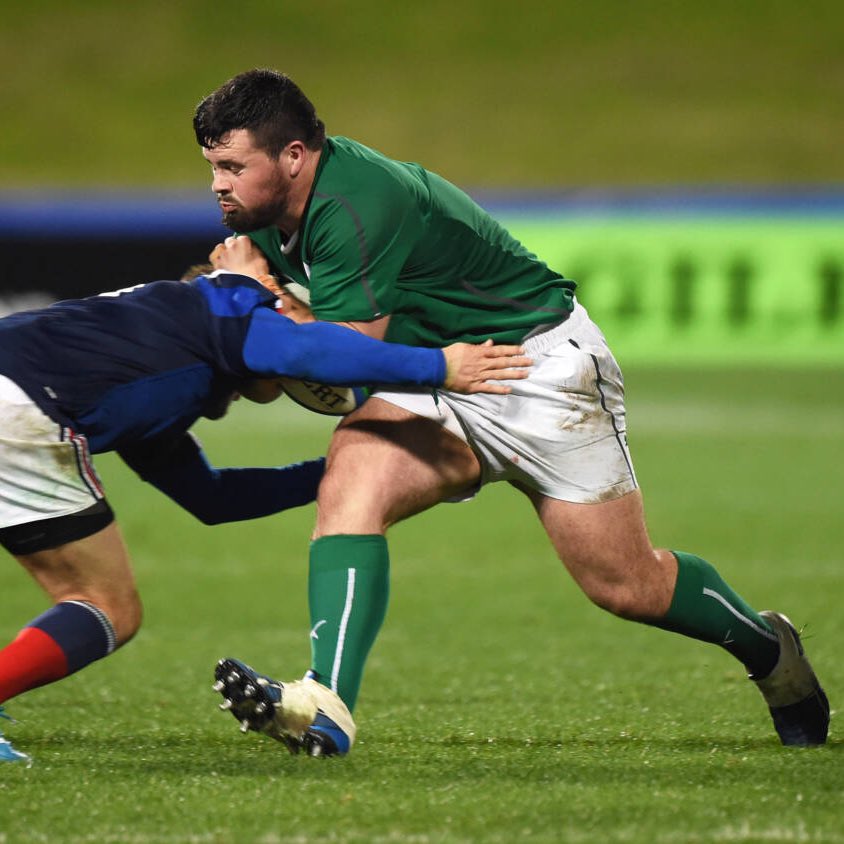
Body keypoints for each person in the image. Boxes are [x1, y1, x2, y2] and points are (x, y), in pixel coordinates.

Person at [194, 69, 829, 758]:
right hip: (438, 369)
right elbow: (314, 366)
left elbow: (342, 372)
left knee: (626, 585)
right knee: (353, 479)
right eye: (213, 168)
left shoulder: (354, 204)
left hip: (536, 369)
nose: (218, 184)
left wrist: (254, 299)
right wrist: (261, 316)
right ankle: (327, 702)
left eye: (233, 166)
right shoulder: (283, 215)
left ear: (292, 157)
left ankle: (770, 650)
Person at [0, 256, 530, 763]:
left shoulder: (152, 362)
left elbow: (212, 498)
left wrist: (354, 470)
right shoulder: (227, 303)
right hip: (18, 405)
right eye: (306, 319)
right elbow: (299, 351)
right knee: (104, 605)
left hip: (17, 386)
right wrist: (439, 365)